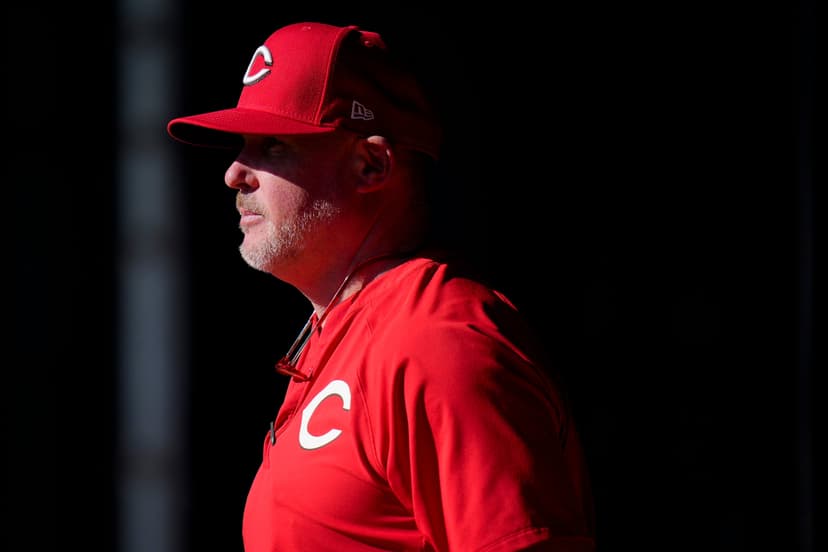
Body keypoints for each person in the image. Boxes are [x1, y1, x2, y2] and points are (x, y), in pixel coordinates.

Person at [167, 21, 595, 552]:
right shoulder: (349, 332)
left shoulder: (435, 340)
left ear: (370, 165)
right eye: (243, 146)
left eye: (273, 146)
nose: (234, 173)